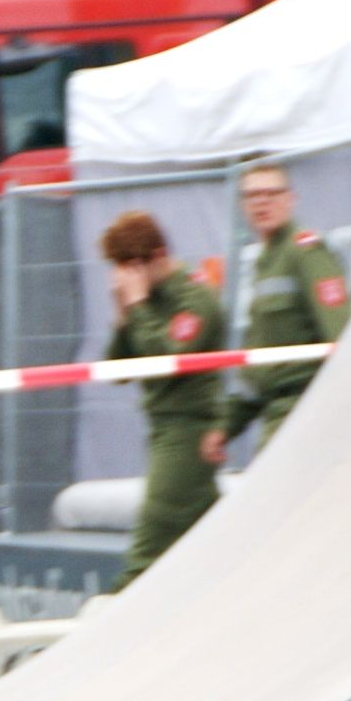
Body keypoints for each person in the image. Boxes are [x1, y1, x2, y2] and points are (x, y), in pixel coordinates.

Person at [99, 209, 225, 589]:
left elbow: (165, 360)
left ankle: (117, 609)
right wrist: (123, 316)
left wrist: (137, 306)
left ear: (157, 257)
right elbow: (118, 372)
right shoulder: (146, 301)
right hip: (162, 429)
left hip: (189, 431)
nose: (126, 280)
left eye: (131, 268)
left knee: (148, 546)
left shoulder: (195, 299)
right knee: (210, 539)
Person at [202, 163, 351, 468]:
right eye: (252, 195)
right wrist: (226, 426)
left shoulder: (306, 252)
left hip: (306, 409)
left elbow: (343, 336)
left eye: (271, 193)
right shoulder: (265, 263)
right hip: (277, 413)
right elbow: (259, 367)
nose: (262, 202)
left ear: (290, 199)